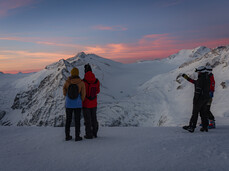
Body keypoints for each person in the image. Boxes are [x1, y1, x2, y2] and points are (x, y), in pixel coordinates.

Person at [182, 66, 211, 133]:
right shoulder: (207, 78)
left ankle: (191, 127)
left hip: (199, 99)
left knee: (195, 113)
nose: (198, 73)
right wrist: (187, 78)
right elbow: (196, 82)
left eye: (198, 72)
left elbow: (198, 89)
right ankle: (205, 127)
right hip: (205, 98)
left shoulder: (201, 80)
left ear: (201, 72)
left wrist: (195, 99)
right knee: (203, 113)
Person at [63, 67, 86, 141]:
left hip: (69, 104)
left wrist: (68, 97)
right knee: (77, 121)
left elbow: (64, 92)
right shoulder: (81, 83)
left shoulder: (67, 82)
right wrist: (81, 100)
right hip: (77, 104)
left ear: (71, 73)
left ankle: (67, 136)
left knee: (68, 120)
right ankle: (77, 136)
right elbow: (83, 94)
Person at [83, 64, 100, 139]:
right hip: (94, 102)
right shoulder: (96, 81)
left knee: (87, 119)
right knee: (94, 118)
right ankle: (95, 133)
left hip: (86, 104)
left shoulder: (83, 81)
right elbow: (98, 91)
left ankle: (89, 135)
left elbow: (82, 92)